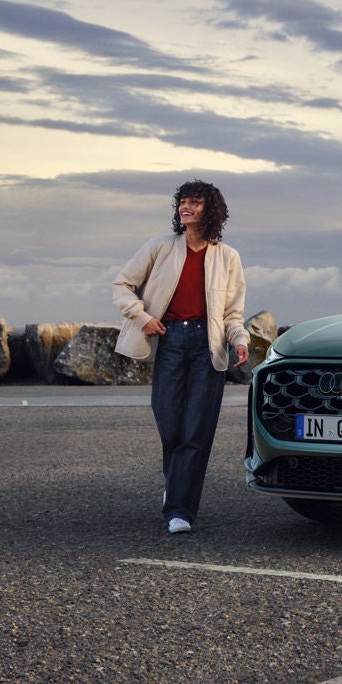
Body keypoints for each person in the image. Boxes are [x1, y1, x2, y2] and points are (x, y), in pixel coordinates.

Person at [113, 181, 249, 534]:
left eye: (195, 202)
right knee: (171, 425)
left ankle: (179, 510)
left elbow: (232, 314)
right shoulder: (159, 247)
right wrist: (142, 317)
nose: (186, 207)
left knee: (196, 431)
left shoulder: (228, 257)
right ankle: (176, 486)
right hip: (169, 340)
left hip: (208, 346)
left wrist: (240, 340)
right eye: (183, 201)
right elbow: (122, 286)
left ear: (210, 210)